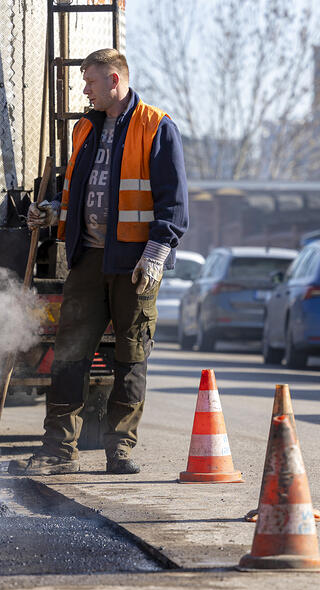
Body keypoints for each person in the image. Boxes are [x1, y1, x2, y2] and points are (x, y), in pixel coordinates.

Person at [10, 48, 188, 476]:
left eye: (90, 82)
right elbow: (76, 189)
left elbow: (175, 205)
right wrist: (53, 211)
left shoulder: (157, 126)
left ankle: (119, 449)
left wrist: (155, 255)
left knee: (131, 355)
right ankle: (58, 450)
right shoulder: (85, 129)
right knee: (69, 355)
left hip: (136, 263)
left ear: (115, 80)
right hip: (88, 259)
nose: (85, 90)